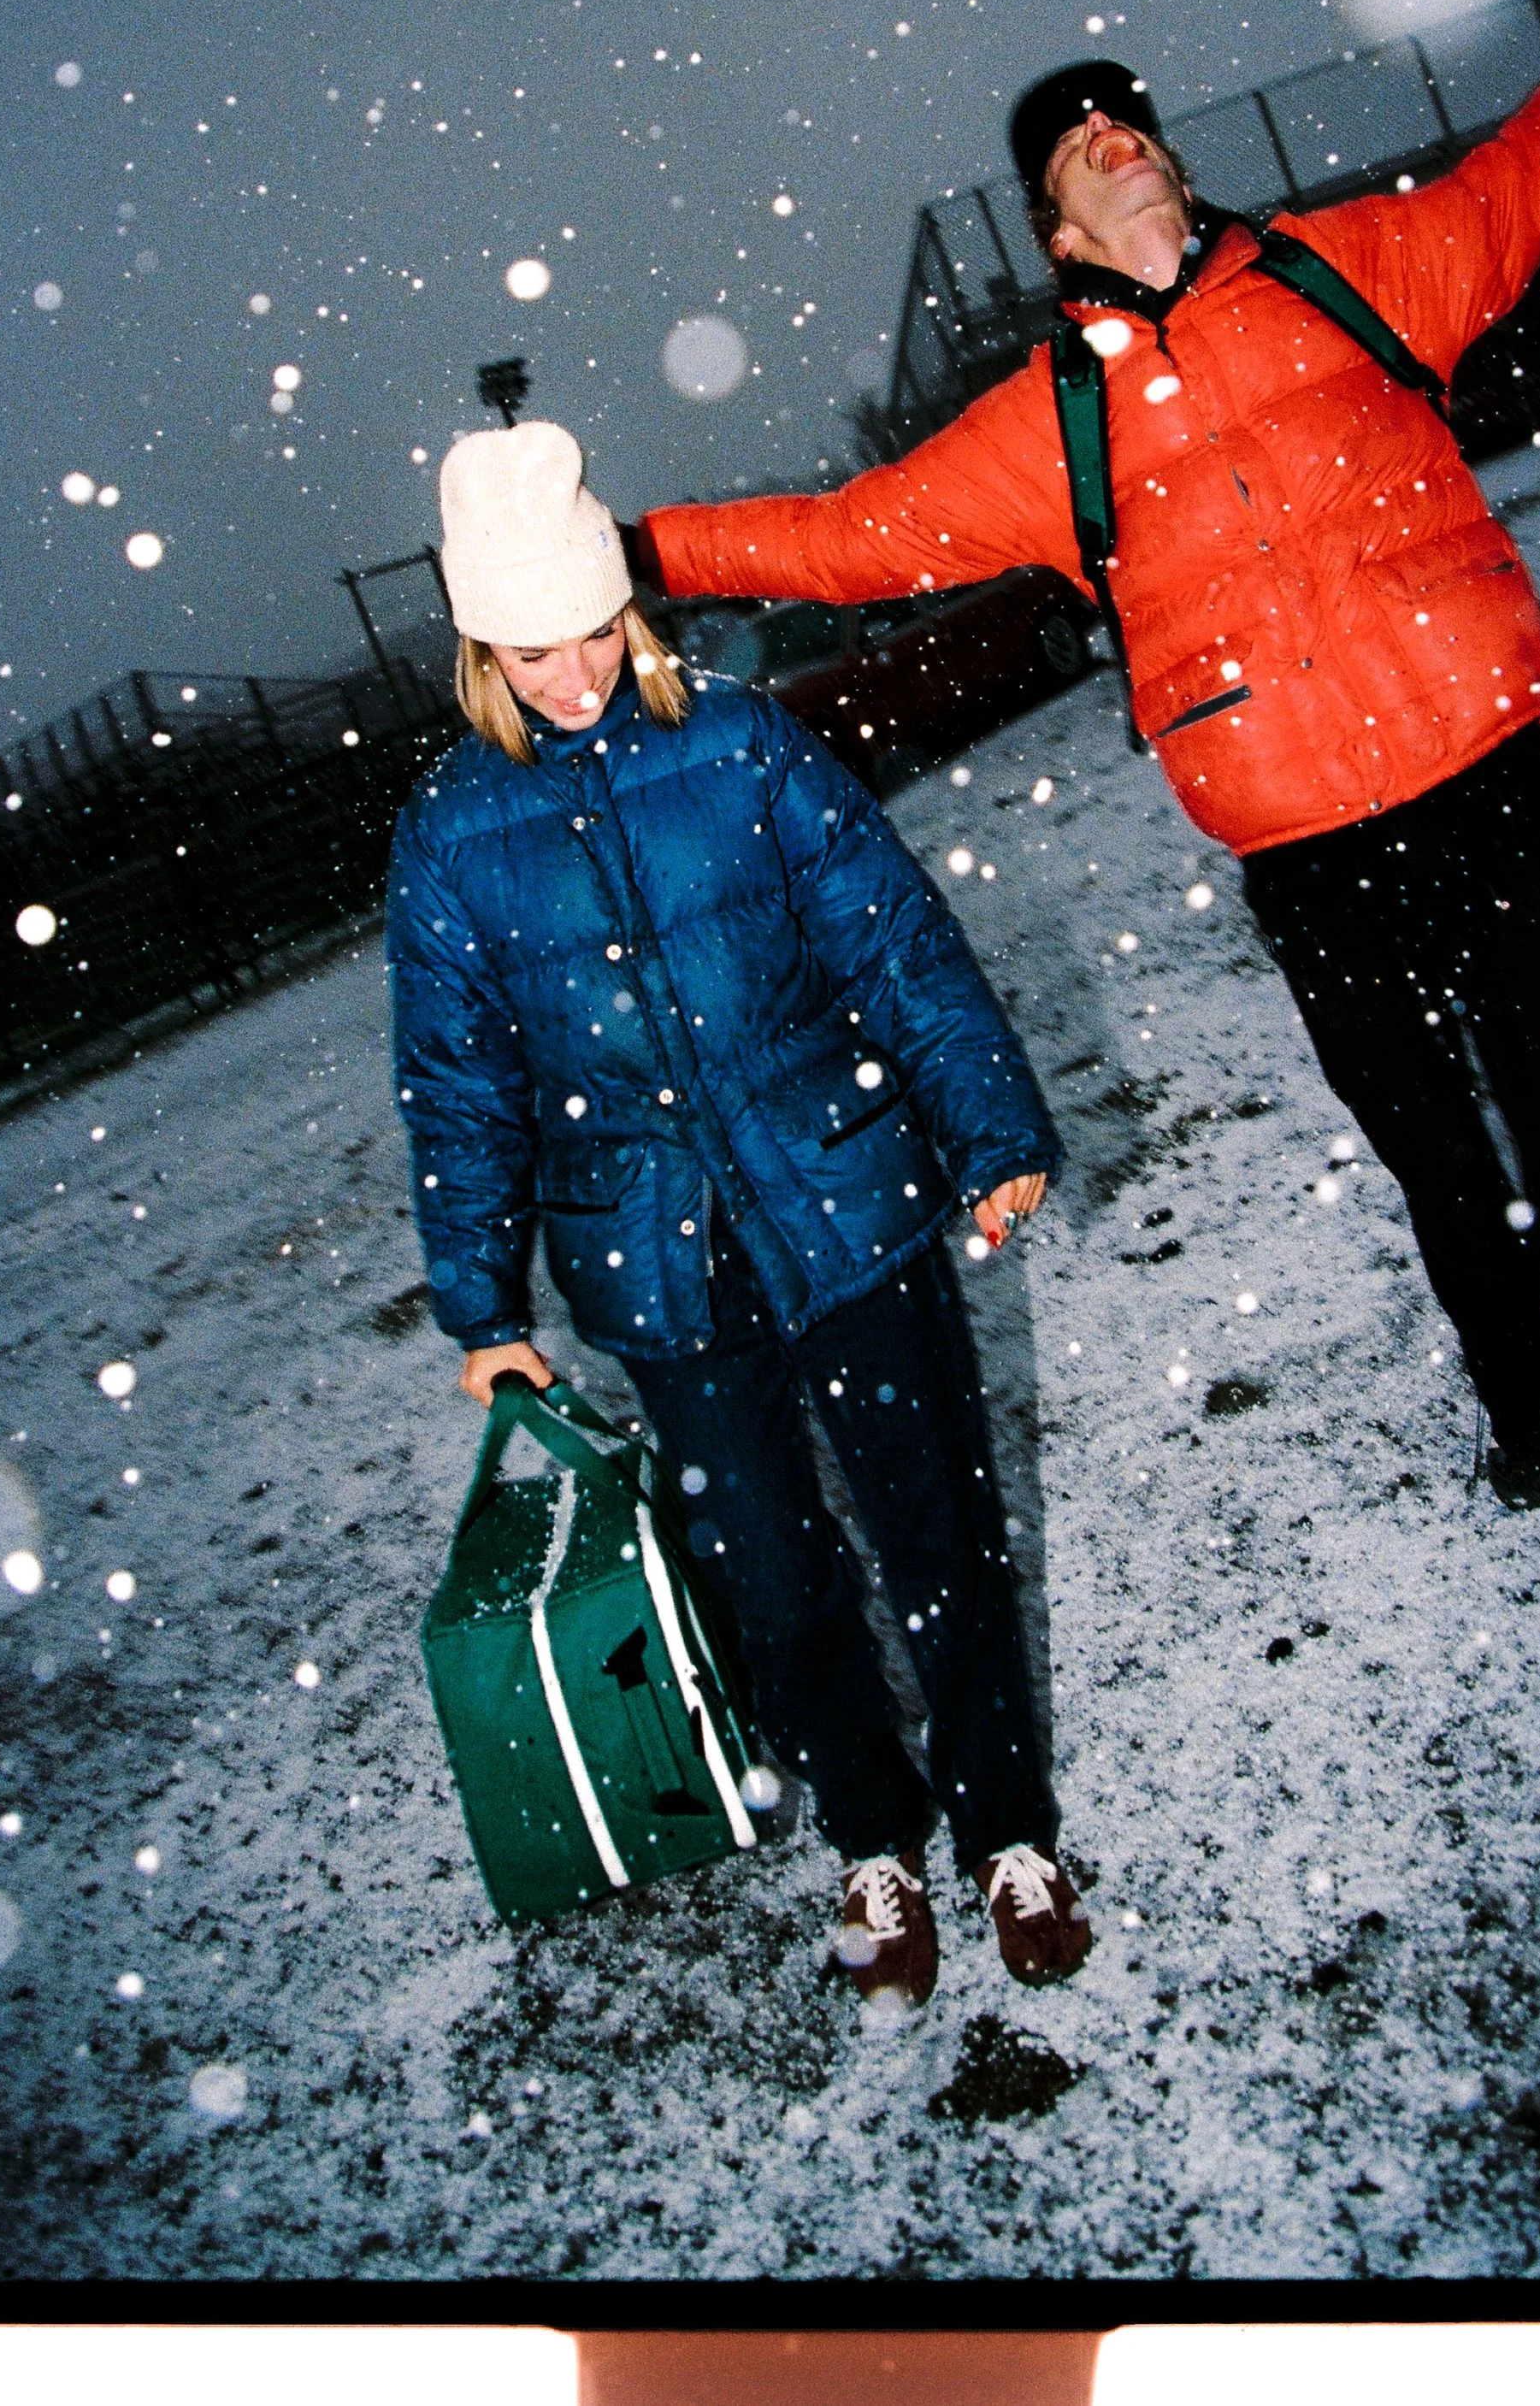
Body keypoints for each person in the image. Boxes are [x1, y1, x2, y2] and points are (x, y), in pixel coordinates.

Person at [627, 0, 1540, 1736]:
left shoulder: (1354, 269)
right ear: (1056, 224)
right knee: (1439, 1152)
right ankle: (1515, 1375)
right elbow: (847, 535)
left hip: (1486, 792)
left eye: (1128, 116)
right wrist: (632, 549)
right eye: (1077, 140)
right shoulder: (1048, 428)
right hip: (1310, 858)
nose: (1116, 136)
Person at [387, 419, 1093, 2008]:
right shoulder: (448, 833)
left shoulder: (743, 744)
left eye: (594, 631)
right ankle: (872, 1834)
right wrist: (483, 1306)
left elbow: (892, 940)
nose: (576, 675)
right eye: (533, 650)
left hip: (844, 1205)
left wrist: (987, 1119)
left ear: (627, 606)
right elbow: (457, 1084)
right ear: (480, 652)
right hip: (655, 1261)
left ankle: (1006, 1825)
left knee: (939, 1529)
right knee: (771, 1579)